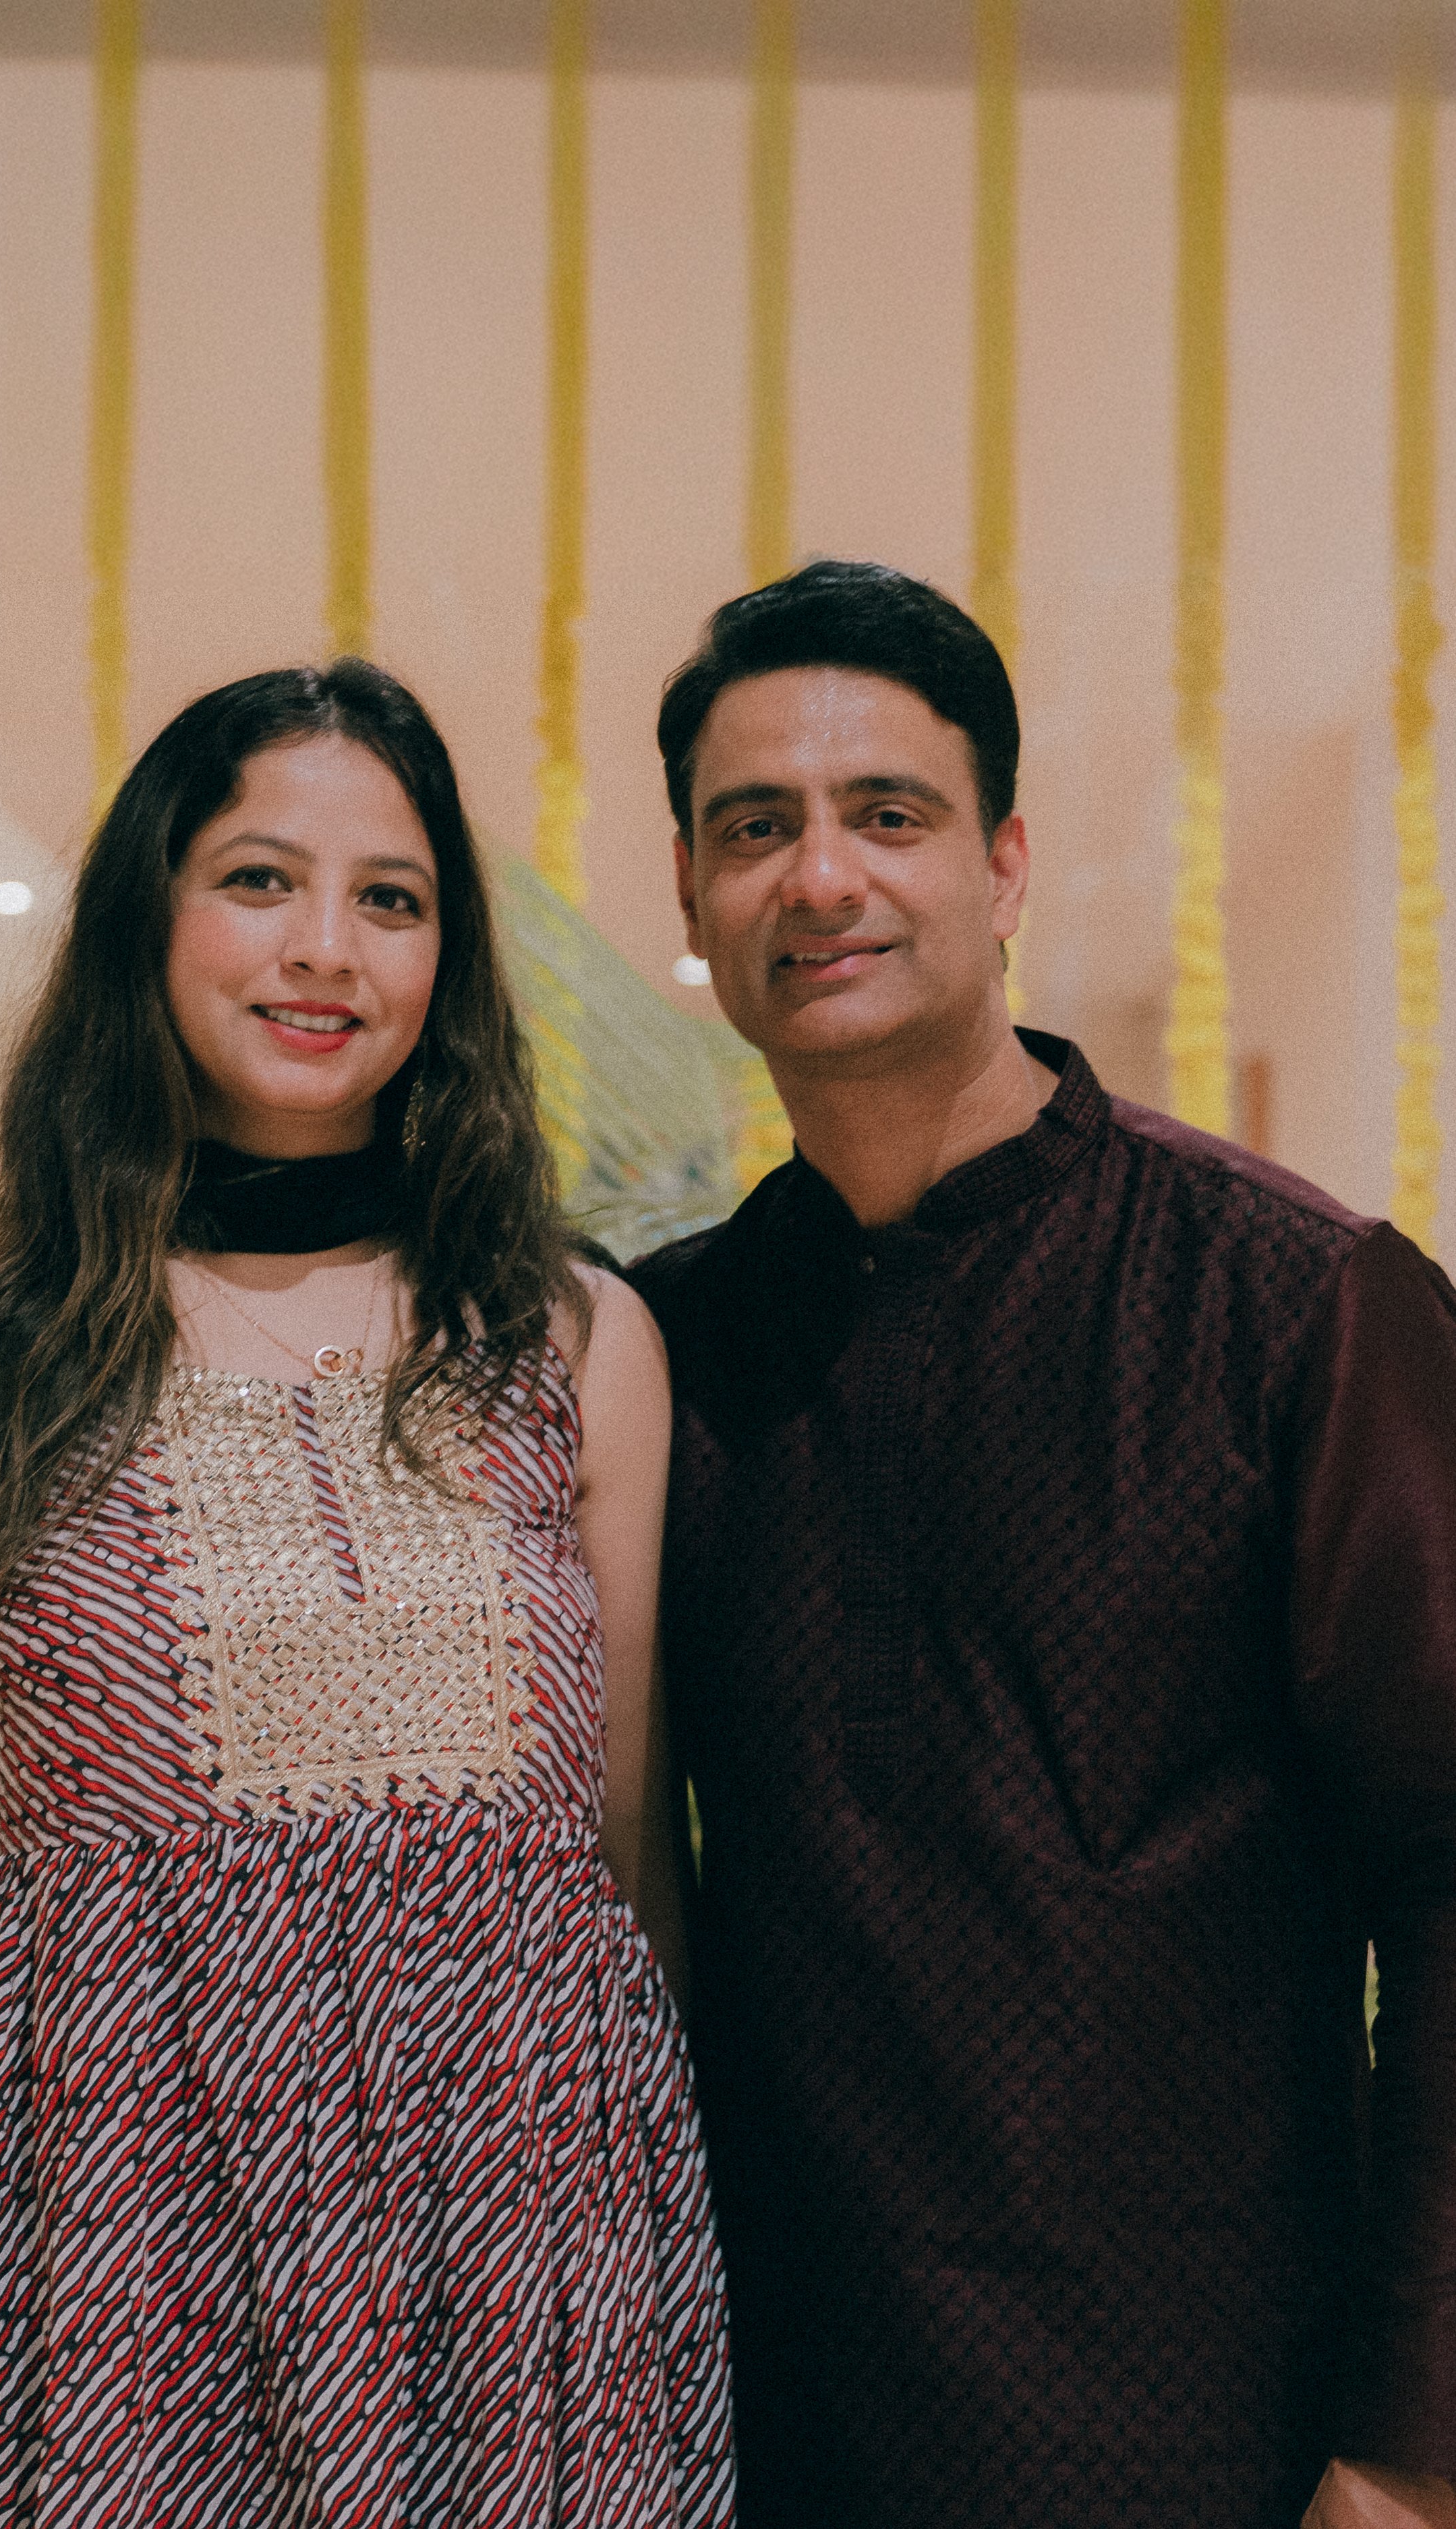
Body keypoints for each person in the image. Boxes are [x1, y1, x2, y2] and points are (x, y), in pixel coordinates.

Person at [0, 660, 735, 2525]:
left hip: (526, 2311)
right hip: (104, 2294)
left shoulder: (570, 1337)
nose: (326, 950)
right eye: (259, 880)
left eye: (392, 900)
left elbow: (626, 1900)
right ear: (149, 912)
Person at [629, 559, 1456, 2529]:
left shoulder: (1293, 1305)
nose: (820, 877)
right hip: (764, 2435)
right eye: (755, 828)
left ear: (1002, 866)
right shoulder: (659, 1352)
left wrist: (1413, 2445)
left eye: (886, 814)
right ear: (691, 897)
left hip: (1218, 2443)